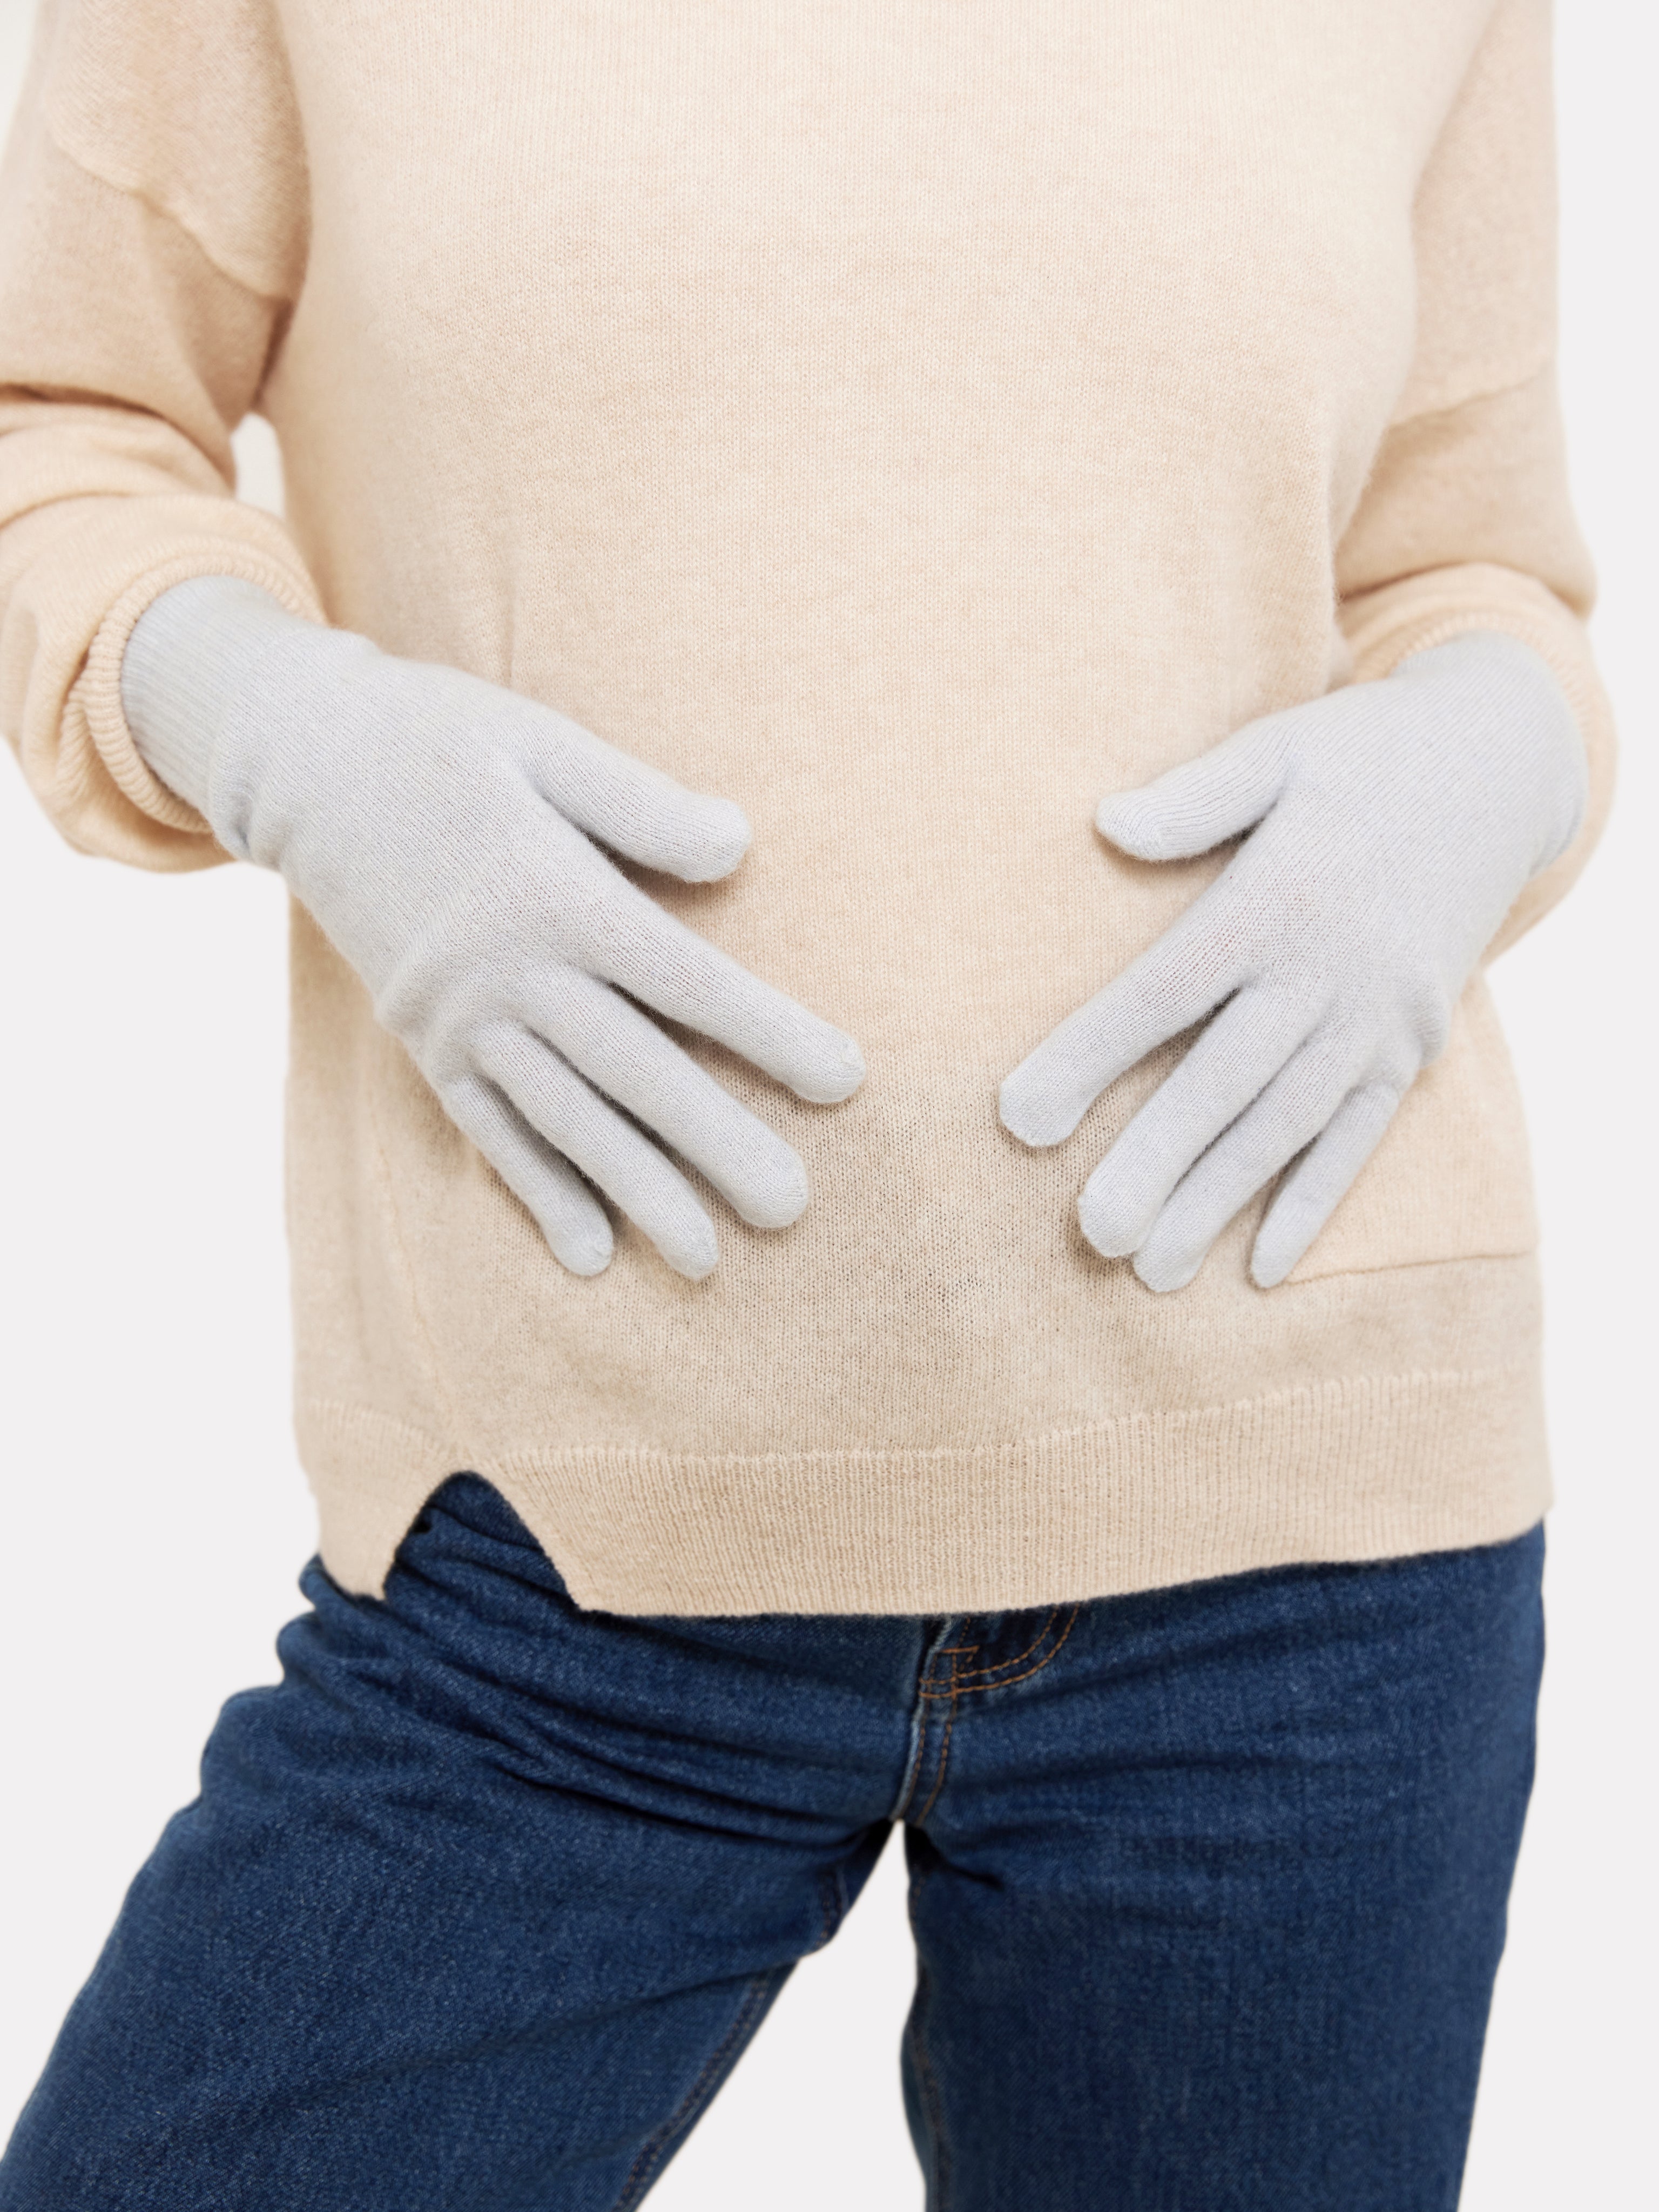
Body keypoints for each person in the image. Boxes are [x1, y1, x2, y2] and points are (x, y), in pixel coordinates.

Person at [0, 1, 1613, 2206]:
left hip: (1305, 1571)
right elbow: (58, 424)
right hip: (559, 1556)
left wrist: (1491, 762)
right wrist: (273, 721)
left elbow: (1471, 566)